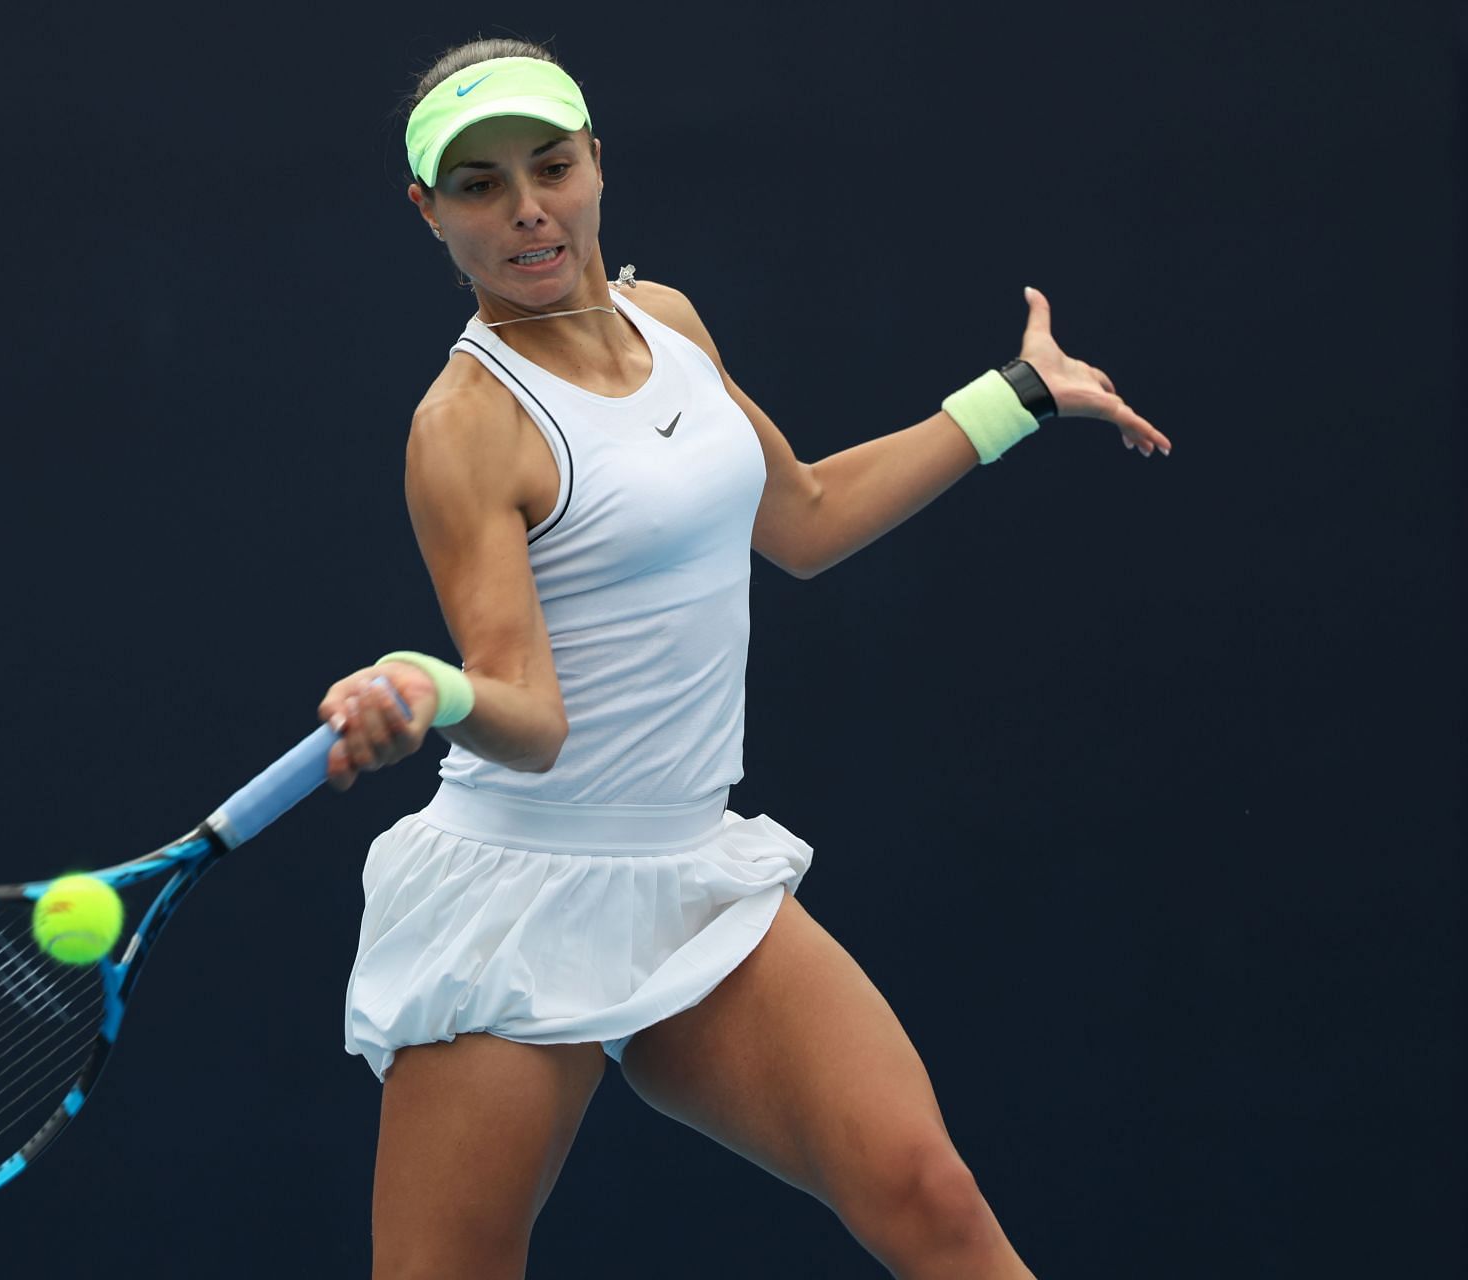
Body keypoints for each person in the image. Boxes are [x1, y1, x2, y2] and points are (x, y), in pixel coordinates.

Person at [316, 38, 1169, 1280]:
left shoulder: (667, 323)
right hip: (518, 895)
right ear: (430, 214)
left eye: (551, 166)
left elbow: (807, 518)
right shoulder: (465, 424)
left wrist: (1015, 396)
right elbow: (531, 717)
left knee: (930, 1194)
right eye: (481, 187)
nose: (528, 209)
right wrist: (433, 690)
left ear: (597, 162)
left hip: (692, 869)